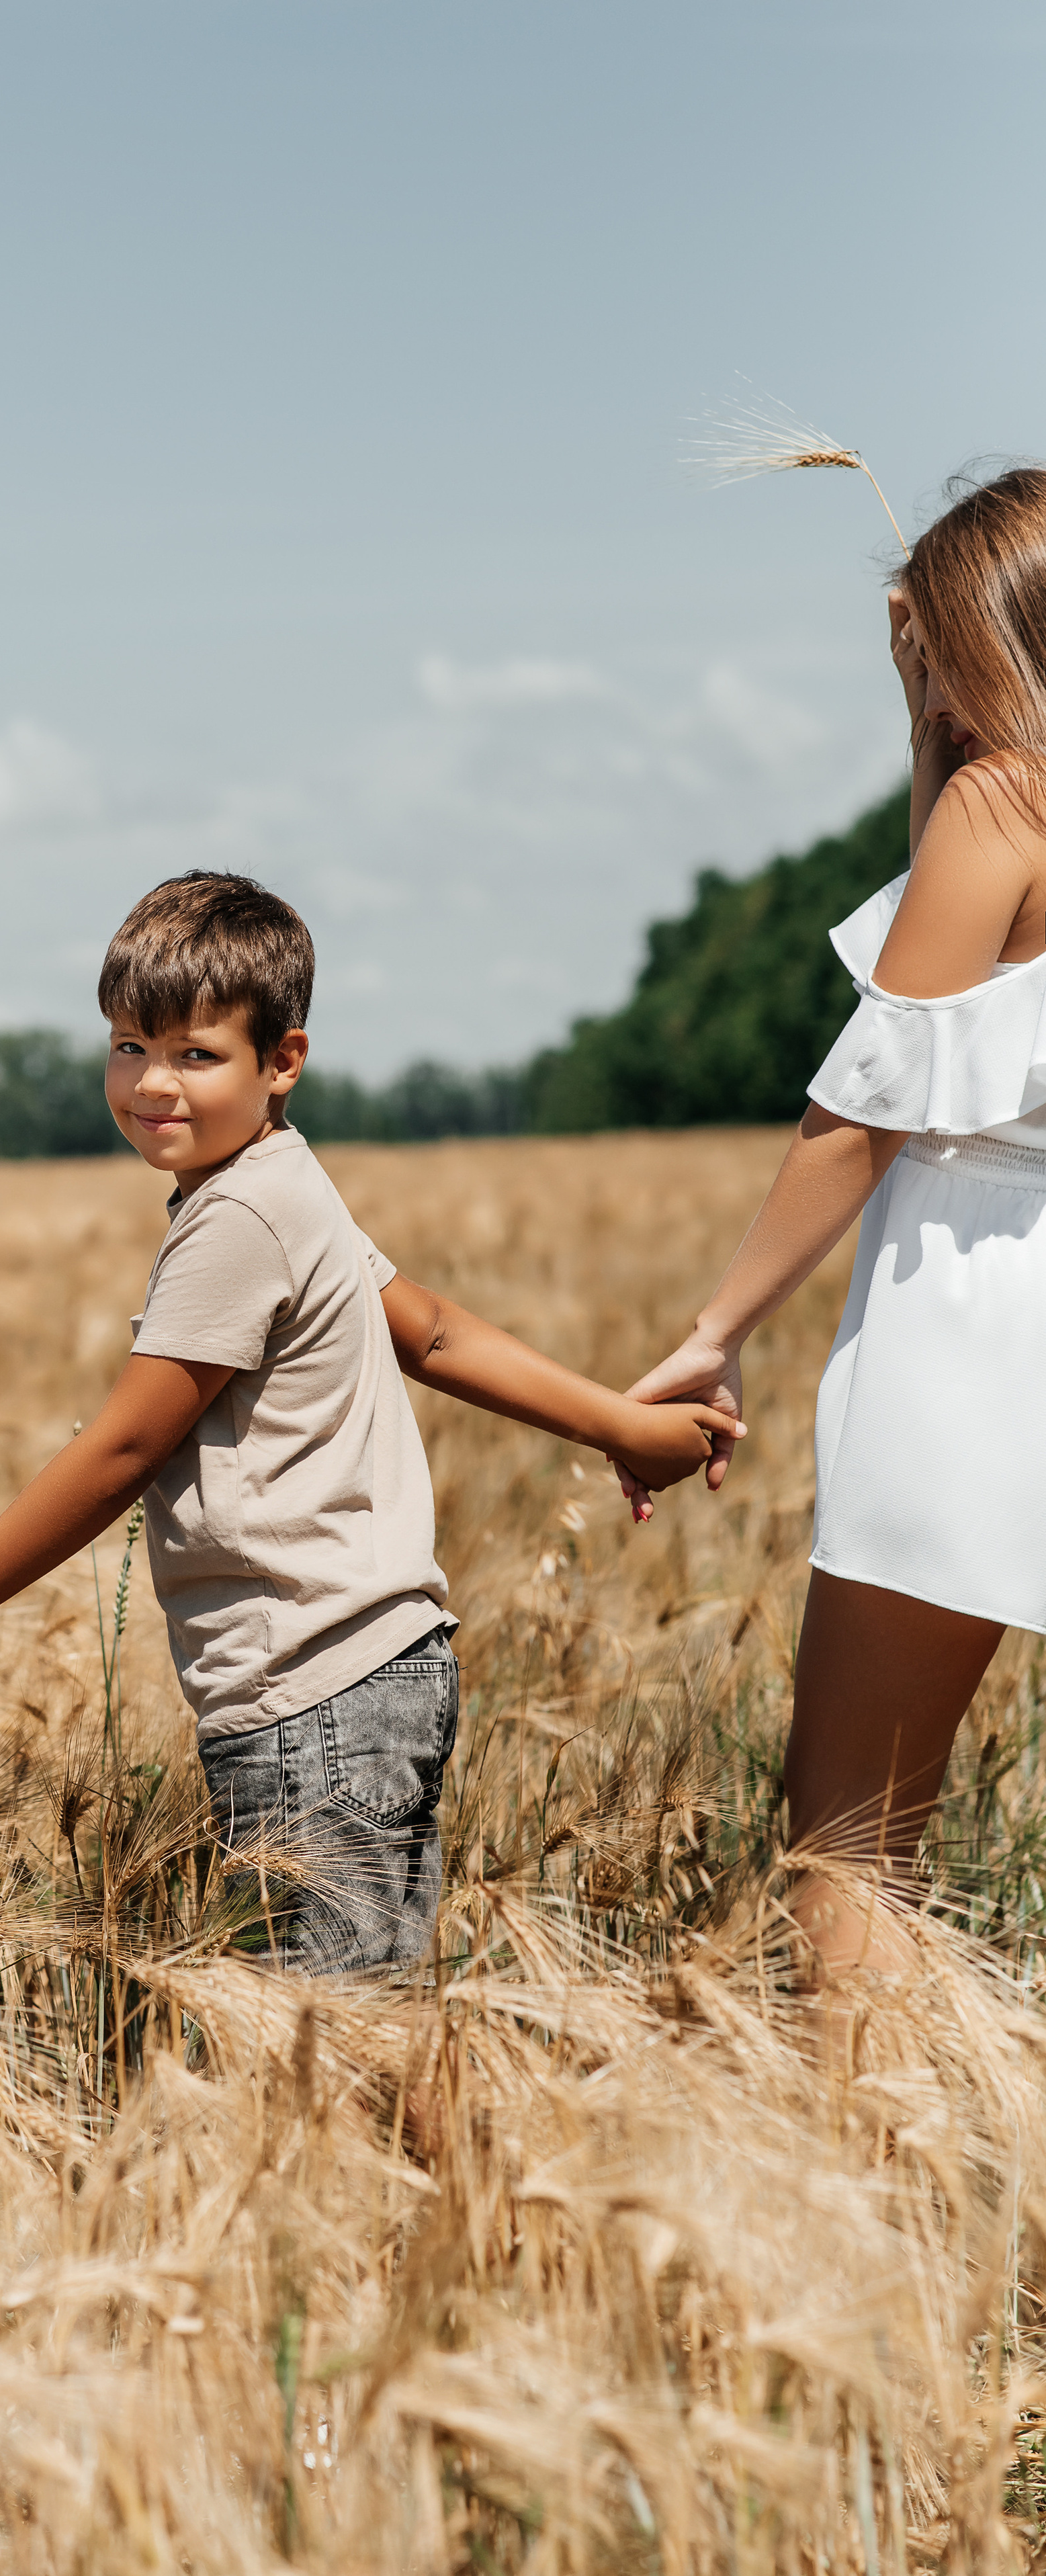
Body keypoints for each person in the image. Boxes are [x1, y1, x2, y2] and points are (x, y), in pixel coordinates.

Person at [0, 872, 741, 1973]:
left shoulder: (240, 1218)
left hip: (307, 1693)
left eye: (195, 1054)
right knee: (366, 2031)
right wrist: (616, 1425)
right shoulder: (286, 1182)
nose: (153, 1082)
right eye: (127, 1046)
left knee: (317, 2045)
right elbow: (432, 1330)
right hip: (382, 1666)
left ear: (283, 1061)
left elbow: (126, 1445)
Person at [625, 464, 1046, 1975]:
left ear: (977, 635)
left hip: (969, 1314)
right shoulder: (1000, 795)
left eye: (930, 640)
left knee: (852, 1831)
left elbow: (865, 1101)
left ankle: (851, 2173)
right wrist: (926, 718)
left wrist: (712, 1331)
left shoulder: (1006, 802)